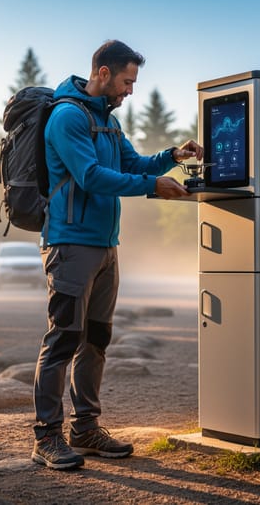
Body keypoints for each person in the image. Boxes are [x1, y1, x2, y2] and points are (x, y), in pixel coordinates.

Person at [31, 39, 204, 470]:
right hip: (70, 245)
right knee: (63, 341)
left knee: (97, 340)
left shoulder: (107, 122)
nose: (131, 90)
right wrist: (152, 188)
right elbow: (90, 176)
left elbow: (131, 164)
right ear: (103, 74)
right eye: (127, 81)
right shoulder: (68, 116)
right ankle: (47, 437)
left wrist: (172, 157)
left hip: (106, 246)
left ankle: (85, 428)